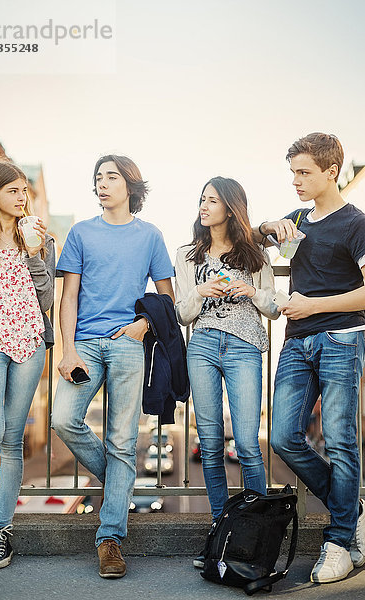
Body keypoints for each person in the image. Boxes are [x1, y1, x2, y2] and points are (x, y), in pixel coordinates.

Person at [52, 154, 174, 579]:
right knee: (63, 419)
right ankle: (122, 481)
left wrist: (142, 326)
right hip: (84, 344)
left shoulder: (150, 236)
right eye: (97, 178)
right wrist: (67, 350)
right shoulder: (81, 232)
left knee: (123, 440)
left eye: (111, 177)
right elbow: (68, 297)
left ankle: (110, 540)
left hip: (127, 346)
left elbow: (166, 297)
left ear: (130, 186)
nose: (102, 184)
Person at [253, 132, 365, 583]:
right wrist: (268, 226)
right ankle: (351, 508)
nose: (296, 181)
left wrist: (313, 305)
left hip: (341, 338)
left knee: (340, 441)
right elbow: (257, 238)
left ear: (331, 172)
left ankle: (340, 541)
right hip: (297, 341)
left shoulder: (356, 223)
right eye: (293, 172)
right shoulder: (298, 218)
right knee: (282, 437)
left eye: (304, 173)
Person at [174, 176, 279, 567]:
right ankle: (221, 534)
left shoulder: (255, 255)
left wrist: (251, 291)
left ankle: (256, 538)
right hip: (201, 346)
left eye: (212, 200)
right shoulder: (188, 254)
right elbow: (182, 313)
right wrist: (200, 293)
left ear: (231, 208)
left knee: (249, 445)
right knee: (211, 443)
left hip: (244, 348)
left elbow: (272, 307)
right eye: (201, 199)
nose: (203, 206)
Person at [0, 161, 55, 570]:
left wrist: (35, 254)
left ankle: (0, 535)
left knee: (13, 441)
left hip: (28, 343)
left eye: (25, 190)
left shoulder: (37, 237)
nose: (22, 197)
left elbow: (46, 298)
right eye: (14, 191)